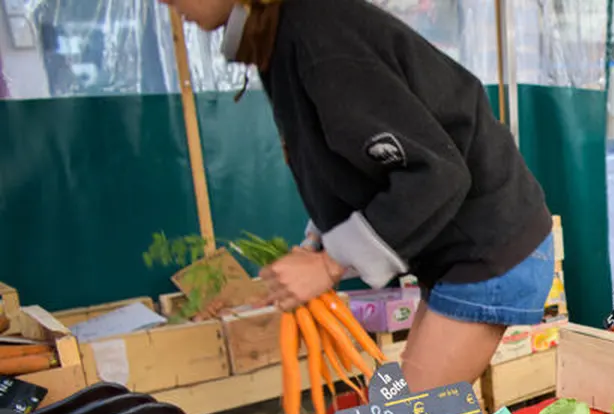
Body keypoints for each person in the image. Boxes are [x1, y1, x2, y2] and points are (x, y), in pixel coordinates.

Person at [158, 0, 554, 392]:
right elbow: (350, 165)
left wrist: (330, 264)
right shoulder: (287, 35)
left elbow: (436, 174)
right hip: (460, 250)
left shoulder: (319, 35)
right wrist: (318, 244)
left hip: (489, 246)